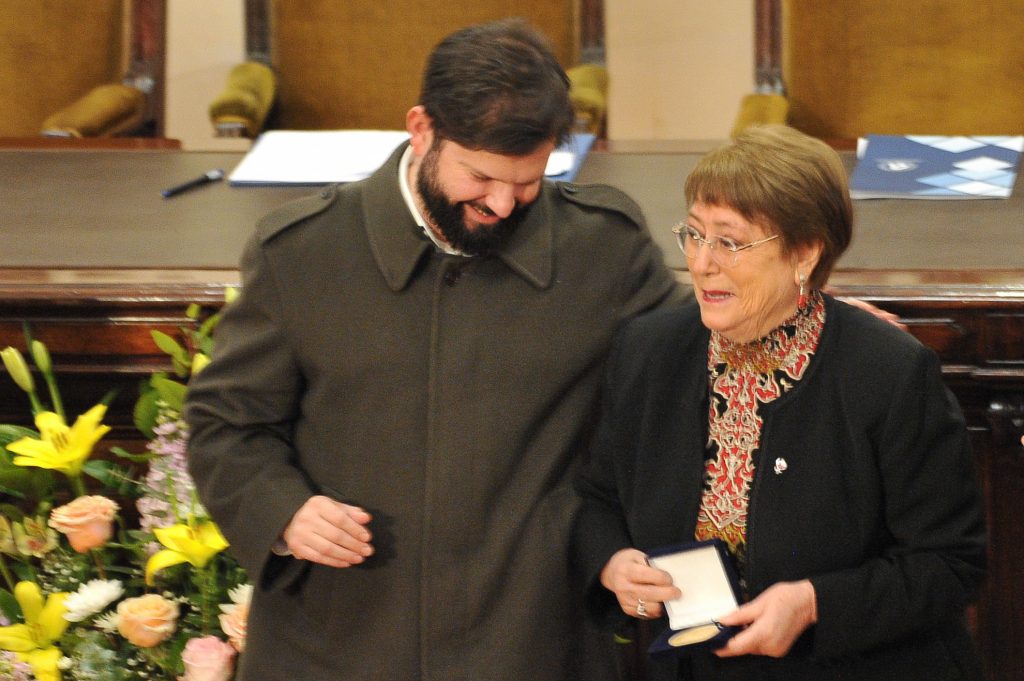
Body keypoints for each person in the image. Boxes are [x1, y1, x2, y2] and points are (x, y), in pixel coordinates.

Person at [184, 18, 684, 681]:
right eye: (480, 177)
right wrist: (284, 511)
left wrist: (816, 327)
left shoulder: (604, 248)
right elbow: (226, 426)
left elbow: (696, 359)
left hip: (534, 640)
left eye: (529, 182)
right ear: (422, 130)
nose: (504, 204)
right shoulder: (300, 255)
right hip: (339, 638)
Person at [572, 125, 987, 681]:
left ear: (805, 253)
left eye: (730, 242)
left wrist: (815, 602)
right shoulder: (649, 353)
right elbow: (599, 500)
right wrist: (613, 563)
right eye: (693, 235)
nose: (701, 263)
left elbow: (950, 564)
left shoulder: (888, 373)